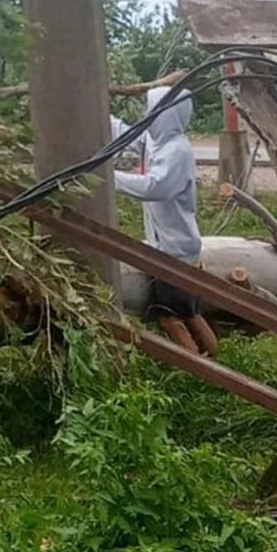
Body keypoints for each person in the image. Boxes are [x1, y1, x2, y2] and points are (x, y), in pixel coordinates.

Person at [110, 86, 218, 356]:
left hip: (175, 250)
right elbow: (128, 134)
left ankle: (199, 368)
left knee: (171, 318)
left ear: (167, 114)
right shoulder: (155, 141)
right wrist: (99, 112)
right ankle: (213, 359)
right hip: (173, 246)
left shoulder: (176, 151)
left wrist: (111, 178)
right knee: (189, 311)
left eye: (153, 109)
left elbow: (155, 187)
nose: (148, 114)